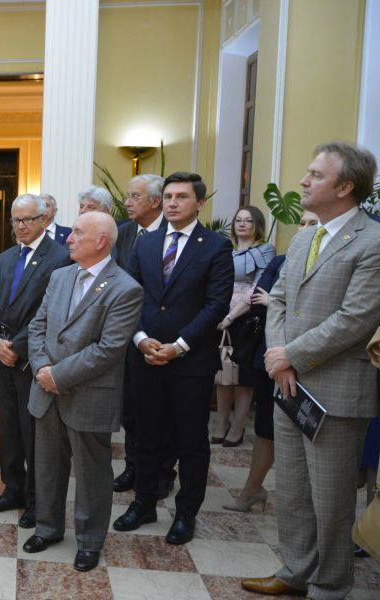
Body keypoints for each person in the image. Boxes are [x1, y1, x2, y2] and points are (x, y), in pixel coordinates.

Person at [242, 142, 380, 599]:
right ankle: (296, 570)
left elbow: (356, 318)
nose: (303, 181)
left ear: (345, 187)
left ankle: (331, 585)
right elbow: (279, 299)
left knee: (331, 498)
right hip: (289, 384)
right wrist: (278, 355)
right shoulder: (304, 236)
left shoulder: (373, 241)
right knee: (294, 491)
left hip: (336, 392)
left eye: (316, 175)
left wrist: (291, 356)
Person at [113, 171, 233, 546]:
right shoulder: (146, 243)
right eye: (167, 196)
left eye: (182, 197)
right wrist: (140, 338)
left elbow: (216, 305)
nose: (172, 203)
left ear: (200, 203)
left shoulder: (215, 246)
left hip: (190, 362)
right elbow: (129, 295)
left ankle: (185, 514)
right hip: (145, 356)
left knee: (190, 441)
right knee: (145, 436)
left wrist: (178, 346)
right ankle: (144, 503)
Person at [23, 211, 143, 572]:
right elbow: (38, 325)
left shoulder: (125, 288)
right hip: (46, 389)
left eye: (77, 232)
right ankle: (48, 528)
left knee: (92, 474)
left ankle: (90, 541)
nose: (68, 238)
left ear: (101, 241)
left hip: (88, 395)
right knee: (47, 465)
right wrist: (42, 368)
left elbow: (108, 349)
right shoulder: (60, 276)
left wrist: (58, 376)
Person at [0, 193, 72, 528]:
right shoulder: (6, 257)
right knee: (8, 430)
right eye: (15, 220)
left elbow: (49, 314)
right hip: (3, 358)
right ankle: (13, 489)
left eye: (27, 220)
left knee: (34, 433)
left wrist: (16, 346)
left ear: (44, 219)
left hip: (33, 360)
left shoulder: (60, 258)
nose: (20, 226)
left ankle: (36, 500)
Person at [224, 211, 318, 513]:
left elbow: (280, 302)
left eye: (313, 224)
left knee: (311, 438)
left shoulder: (331, 263)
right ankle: (252, 490)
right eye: (301, 223)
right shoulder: (280, 262)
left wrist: (277, 303)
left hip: (314, 360)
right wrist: (276, 303)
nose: (304, 229)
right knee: (267, 428)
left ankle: (308, 505)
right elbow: (258, 299)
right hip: (271, 356)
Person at [111, 173, 175, 495]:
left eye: (134, 196)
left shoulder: (172, 235)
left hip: (161, 337)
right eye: (127, 196)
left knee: (162, 412)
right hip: (125, 335)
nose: (127, 202)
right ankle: (133, 468)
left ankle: (162, 472)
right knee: (131, 409)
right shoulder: (123, 233)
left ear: (155, 201)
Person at [213, 205, 275, 447]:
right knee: (222, 374)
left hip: (247, 320)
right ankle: (221, 424)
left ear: (257, 225)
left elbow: (257, 289)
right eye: (238, 220)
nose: (241, 224)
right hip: (220, 317)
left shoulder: (265, 250)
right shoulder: (224, 249)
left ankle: (237, 427)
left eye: (248, 220)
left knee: (243, 377)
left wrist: (231, 316)